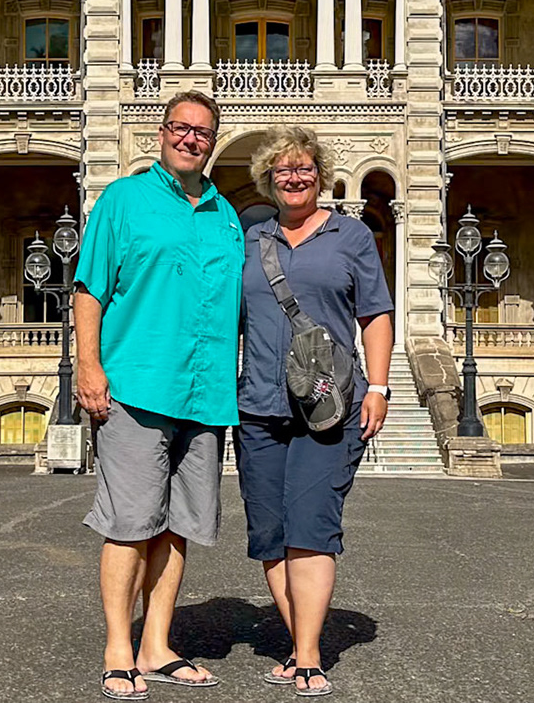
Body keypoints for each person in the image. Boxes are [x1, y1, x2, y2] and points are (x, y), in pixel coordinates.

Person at [74, 89, 243, 699]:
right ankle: (119, 645)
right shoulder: (122, 201)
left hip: (205, 395)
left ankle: (157, 644)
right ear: (162, 132)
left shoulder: (227, 217)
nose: (190, 138)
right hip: (137, 387)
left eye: (201, 131)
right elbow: (89, 290)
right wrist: (87, 367)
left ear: (213, 140)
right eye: (180, 127)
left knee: (178, 528)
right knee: (129, 523)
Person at [235, 126, 394, 696]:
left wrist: (378, 387)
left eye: (303, 168)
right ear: (268, 180)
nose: (294, 177)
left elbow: (375, 314)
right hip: (257, 404)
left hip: (330, 405)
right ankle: (301, 639)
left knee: (312, 526)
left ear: (320, 176)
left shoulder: (350, 236)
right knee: (270, 532)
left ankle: (306, 655)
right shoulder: (251, 240)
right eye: (283, 170)